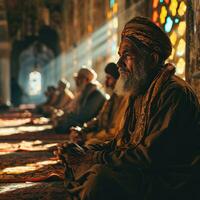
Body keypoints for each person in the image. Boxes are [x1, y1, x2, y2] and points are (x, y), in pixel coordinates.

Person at [57, 16, 200, 200]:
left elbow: (149, 157)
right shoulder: (139, 91)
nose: (119, 65)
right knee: (89, 169)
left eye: (127, 56)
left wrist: (93, 158)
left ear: (153, 58)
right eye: (119, 56)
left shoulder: (173, 93)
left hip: (173, 179)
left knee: (100, 178)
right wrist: (86, 152)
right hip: (145, 170)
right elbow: (122, 141)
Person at [68, 62, 128, 145]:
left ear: (118, 80)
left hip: (111, 139)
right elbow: (99, 119)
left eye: (109, 78)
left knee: (88, 144)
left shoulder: (124, 99)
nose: (106, 82)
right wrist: (82, 130)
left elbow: (114, 131)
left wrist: (87, 135)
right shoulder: (113, 97)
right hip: (100, 134)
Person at [54, 67, 106, 133]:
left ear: (87, 80)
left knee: (65, 124)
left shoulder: (96, 94)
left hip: (92, 124)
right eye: (77, 79)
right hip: (83, 121)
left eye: (80, 79)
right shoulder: (83, 92)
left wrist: (66, 116)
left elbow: (84, 116)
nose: (77, 82)